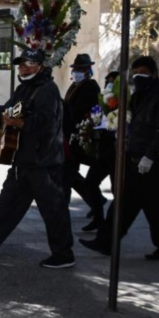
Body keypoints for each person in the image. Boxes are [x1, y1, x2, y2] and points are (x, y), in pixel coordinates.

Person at [0, 48, 76, 269]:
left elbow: (48, 125)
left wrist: (21, 124)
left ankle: (63, 255)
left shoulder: (48, 90)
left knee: (53, 210)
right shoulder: (24, 88)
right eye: (21, 64)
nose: (23, 67)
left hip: (44, 163)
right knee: (7, 205)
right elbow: (9, 108)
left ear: (40, 66)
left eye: (28, 63)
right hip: (23, 160)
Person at [80, 56, 159, 260]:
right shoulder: (138, 95)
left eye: (143, 72)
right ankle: (105, 242)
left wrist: (151, 156)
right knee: (123, 204)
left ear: (153, 73)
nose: (138, 76)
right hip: (133, 159)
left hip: (154, 164)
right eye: (135, 72)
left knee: (157, 207)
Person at [79, 71, 121, 232]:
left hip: (117, 154)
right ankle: (98, 218)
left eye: (113, 83)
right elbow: (94, 121)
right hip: (103, 152)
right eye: (107, 82)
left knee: (117, 189)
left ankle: (113, 227)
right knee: (90, 183)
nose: (109, 85)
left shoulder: (125, 105)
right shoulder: (102, 103)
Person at [63, 54, 102, 210]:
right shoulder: (74, 86)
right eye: (76, 69)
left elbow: (87, 110)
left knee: (68, 173)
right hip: (69, 133)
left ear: (87, 70)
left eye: (81, 69)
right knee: (69, 173)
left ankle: (93, 201)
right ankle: (95, 201)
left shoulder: (91, 86)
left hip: (80, 134)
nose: (77, 72)